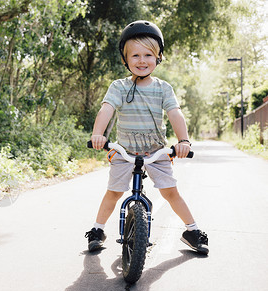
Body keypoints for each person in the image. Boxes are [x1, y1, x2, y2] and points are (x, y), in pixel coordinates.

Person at [85, 20, 208, 255]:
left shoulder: (163, 88)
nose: (142, 61)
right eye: (135, 56)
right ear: (125, 59)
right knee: (113, 192)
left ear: (158, 57)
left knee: (170, 192)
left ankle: (192, 231)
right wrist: (97, 135)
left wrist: (183, 141)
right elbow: (107, 110)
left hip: (156, 151)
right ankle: (97, 230)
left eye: (148, 55)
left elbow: (175, 113)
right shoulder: (119, 87)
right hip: (124, 151)